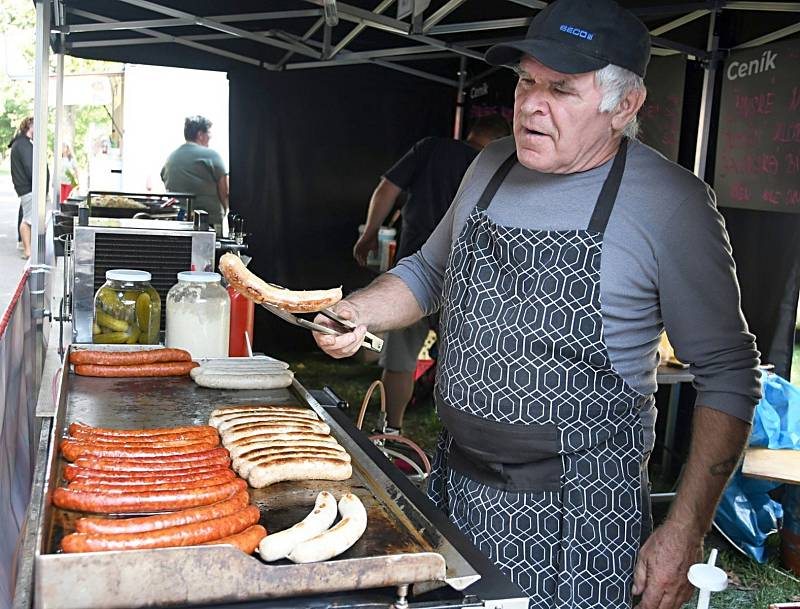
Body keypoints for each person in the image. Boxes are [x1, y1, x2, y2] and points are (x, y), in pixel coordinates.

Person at [312, 1, 761, 607]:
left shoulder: (673, 205)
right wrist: (358, 311)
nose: (530, 104)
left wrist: (684, 531)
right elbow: (427, 272)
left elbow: (729, 376)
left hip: (579, 522)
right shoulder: (491, 166)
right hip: (457, 487)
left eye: (562, 88)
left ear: (623, 106)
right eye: (526, 80)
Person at [353, 115, 511, 434]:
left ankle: (391, 430)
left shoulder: (432, 150)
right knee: (468, 365)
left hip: (413, 276)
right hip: (471, 280)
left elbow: (386, 190)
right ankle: (462, 436)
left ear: (471, 133)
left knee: (400, 361)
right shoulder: (503, 167)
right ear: (500, 140)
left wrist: (370, 232)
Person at [161, 115, 229, 228]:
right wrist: (225, 209)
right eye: (209, 135)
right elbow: (224, 189)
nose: (210, 138)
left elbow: (166, 181)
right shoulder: (212, 155)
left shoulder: (171, 158)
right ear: (200, 135)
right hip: (208, 221)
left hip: (178, 220)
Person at [9, 117, 36, 259]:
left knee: (28, 218)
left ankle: (27, 248)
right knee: (27, 220)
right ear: (30, 126)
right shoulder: (23, 145)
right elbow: (30, 167)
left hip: (26, 187)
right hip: (28, 188)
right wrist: (38, 184)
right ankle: (28, 251)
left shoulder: (21, 143)